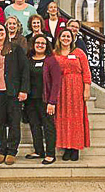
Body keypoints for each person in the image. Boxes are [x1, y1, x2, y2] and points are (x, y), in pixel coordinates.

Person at [0, 22, 30, 165]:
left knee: (13, 122)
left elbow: (24, 70)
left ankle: (11, 151)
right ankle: (1, 150)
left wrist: (23, 90)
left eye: (1, 30)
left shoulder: (15, 49)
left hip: (13, 92)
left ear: (5, 32)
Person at [54, 29, 91, 161]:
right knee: (63, 118)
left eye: (68, 36)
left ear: (72, 38)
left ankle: (75, 148)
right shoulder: (54, 53)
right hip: (60, 89)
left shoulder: (79, 53)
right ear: (59, 38)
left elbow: (86, 72)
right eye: (63, 36)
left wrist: (86, 89)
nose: (65, 38)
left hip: (76, 88)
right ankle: (66, 147)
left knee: (76, 118)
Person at [25, 35, 61, 165]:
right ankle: (38, 150)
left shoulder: (51, 61)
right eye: (38, 43)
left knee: (48, 126)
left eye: (43, 43)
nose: (40, 45)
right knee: (34, 125)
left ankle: (50, 154)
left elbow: (56, 82)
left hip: (45, 99)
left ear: (47, 46)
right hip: (30, 99)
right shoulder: (28, 59)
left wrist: (52, 102)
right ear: (33, 44)